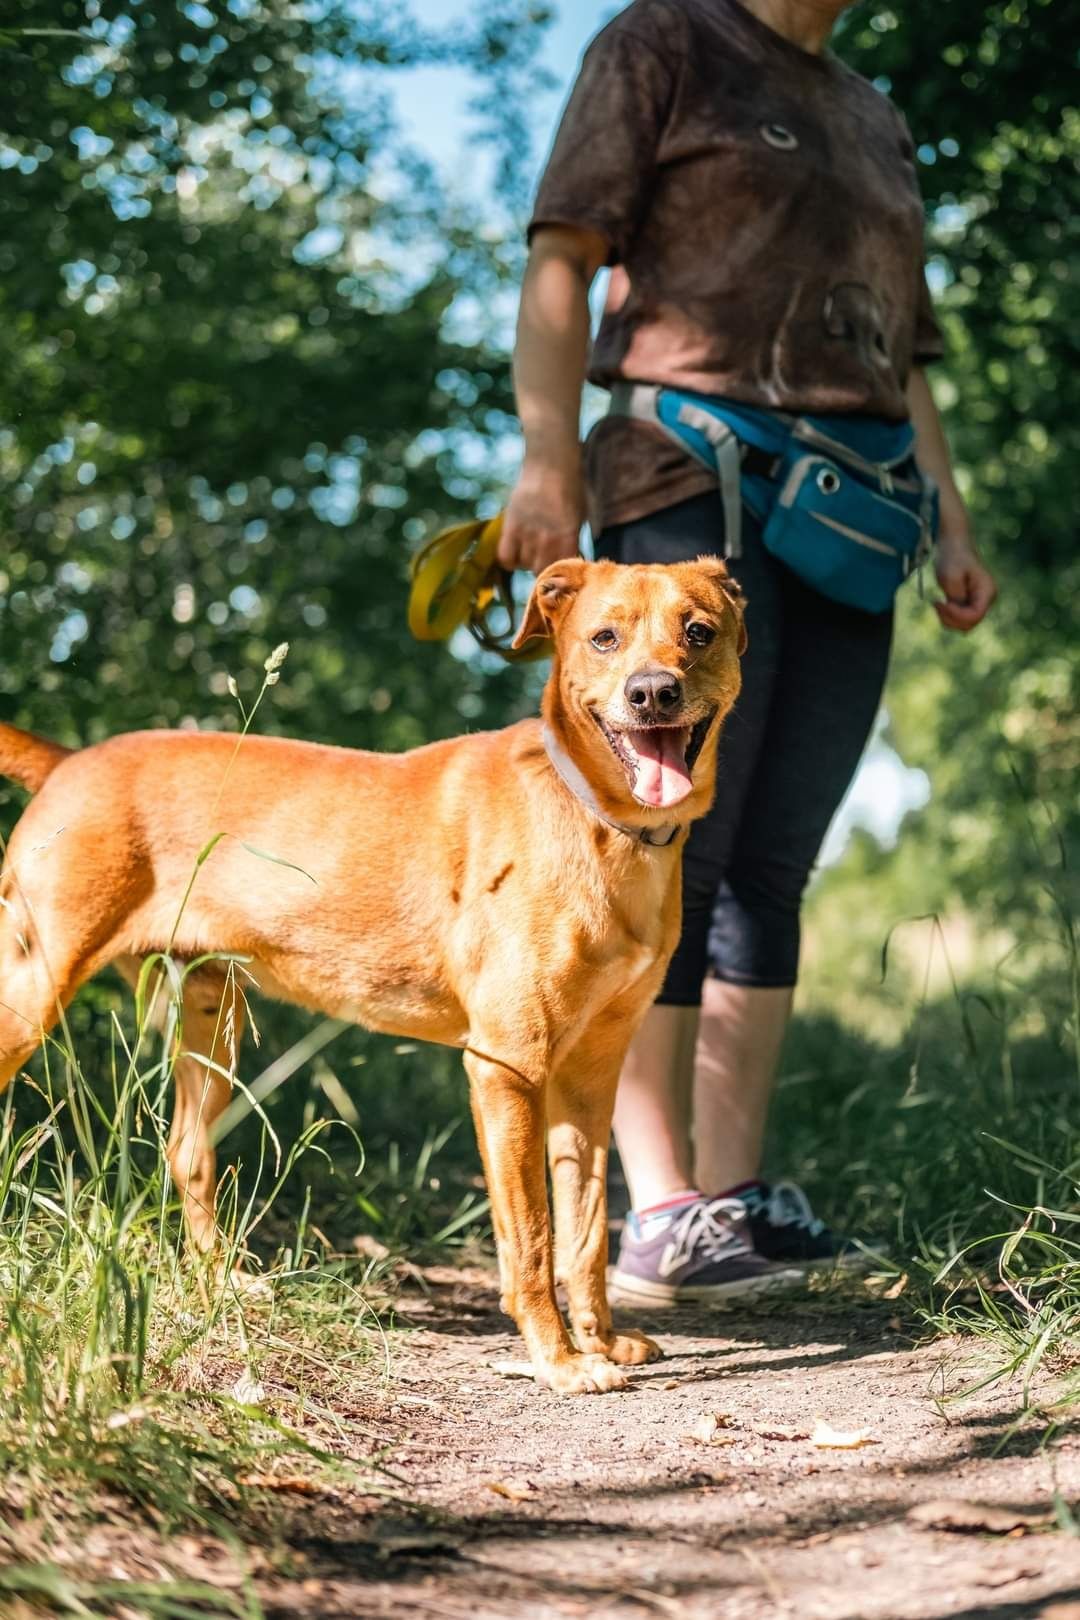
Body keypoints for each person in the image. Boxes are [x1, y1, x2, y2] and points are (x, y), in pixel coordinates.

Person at [498, 0, 997, 1303]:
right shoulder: (662, 44)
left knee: (776, 853)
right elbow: (562, 259)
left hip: (858, 502)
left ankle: (732, 1196)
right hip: (690, 471)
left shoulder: (874, 116)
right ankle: (656, 1208)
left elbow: (911, 355)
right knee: (676, 833)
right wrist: (550, 456)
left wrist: (951, 515)